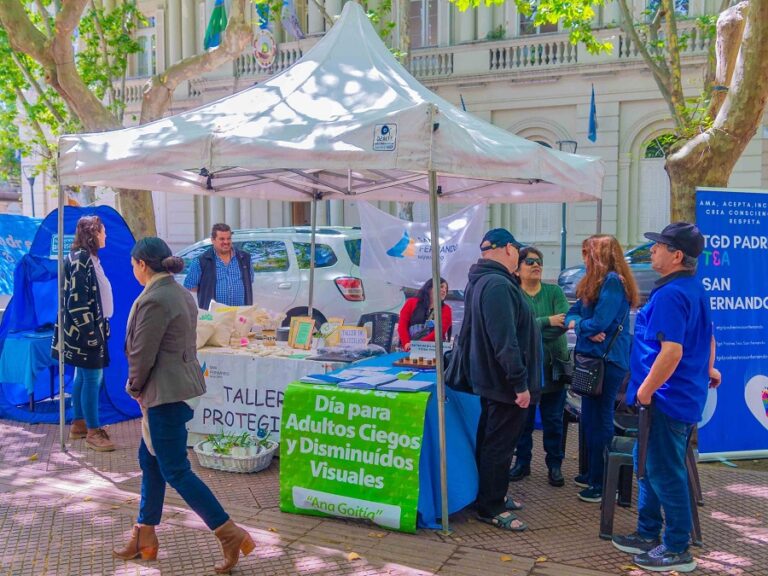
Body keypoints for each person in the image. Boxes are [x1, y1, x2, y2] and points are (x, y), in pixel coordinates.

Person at [114, 237, 255, 574]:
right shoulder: (177, 292)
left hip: (164, 393)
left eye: (133, 265)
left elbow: (142, 353)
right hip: (177, 390)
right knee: (149, 461)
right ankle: (144, 534)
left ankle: (229, 533)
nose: (133, 270)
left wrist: (134, 386)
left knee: (175, 469)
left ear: (143, 265)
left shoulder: (156, 299)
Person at [612, 223, 720, 573]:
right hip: (675, 396)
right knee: (648, 465)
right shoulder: (689, 287)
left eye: (659, 246)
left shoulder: (673, 294)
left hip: (665, 399)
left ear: (676, 255)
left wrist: (645, 391)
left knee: (663, 471)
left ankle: (676, 547)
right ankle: (648, 534)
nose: (652, 250)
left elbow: (671, 351)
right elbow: (707, 337)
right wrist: (709, 368)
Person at [465, 228, 540, 531]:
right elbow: (504, 341)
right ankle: (491, 506)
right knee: (499, 445)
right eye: (518, 254)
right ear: (509, 248)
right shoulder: (496, 284)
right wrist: (520, 384)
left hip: (494, 381)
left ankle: (493, 495)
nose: (519, 260)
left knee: (492, 441)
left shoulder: (484, 281)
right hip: (504, 384)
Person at [566, 234, 639, 503]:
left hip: (606, 362)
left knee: (600, 420)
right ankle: (594, 473)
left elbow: (599, 323)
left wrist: (584, 327)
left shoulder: (611, 283)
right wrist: (581, 325)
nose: (583, 258)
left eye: (587, 253)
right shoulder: (594, 283)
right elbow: (573, 312)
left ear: (599, 256)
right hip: (594, 360)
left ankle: (602, 482)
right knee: (591, 418)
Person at [52, 215, 115, 452]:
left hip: (91, 328)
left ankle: (79, 424)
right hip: (85, 332)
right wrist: (90, 333)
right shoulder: (80, 259)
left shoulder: (88, 258)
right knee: (92, 379)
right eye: (102, 231)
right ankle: (93, 431)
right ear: (93, 233)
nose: (105, 235)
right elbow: (76, 302)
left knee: (82, 376)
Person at [508, 246, 570, 487]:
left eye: (539, 262)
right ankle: (522, 463)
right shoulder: (514, 294)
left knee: (553, 421)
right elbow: (514, 328)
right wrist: (546, 321)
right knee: (522, 422)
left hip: (554, 369)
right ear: (518, 269)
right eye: (530, 262)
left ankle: (554, 465)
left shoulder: (554, 292)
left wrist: (532, 330)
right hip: (526, 371)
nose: (536, 266)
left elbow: (563, 324)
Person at [183, 223, 253, 310]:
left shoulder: (245, 259)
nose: (226, 242)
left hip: (240, 315)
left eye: (228, 239)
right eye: (222, 239)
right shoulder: (201, 261)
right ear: (213, 240)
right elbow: (189, 285)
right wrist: (207, 287)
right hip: (213, 316)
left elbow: (250, 280)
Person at [397, 277, 452, 351]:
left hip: (433, 350)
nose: (444, 290)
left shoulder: (446, 309)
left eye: (446, 289)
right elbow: (402, 326)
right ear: (429, 288)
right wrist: (406, 343)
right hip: (409, 348)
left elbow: (440, 332)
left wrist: (419, 345)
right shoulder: (411, 303)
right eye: (441, 286)